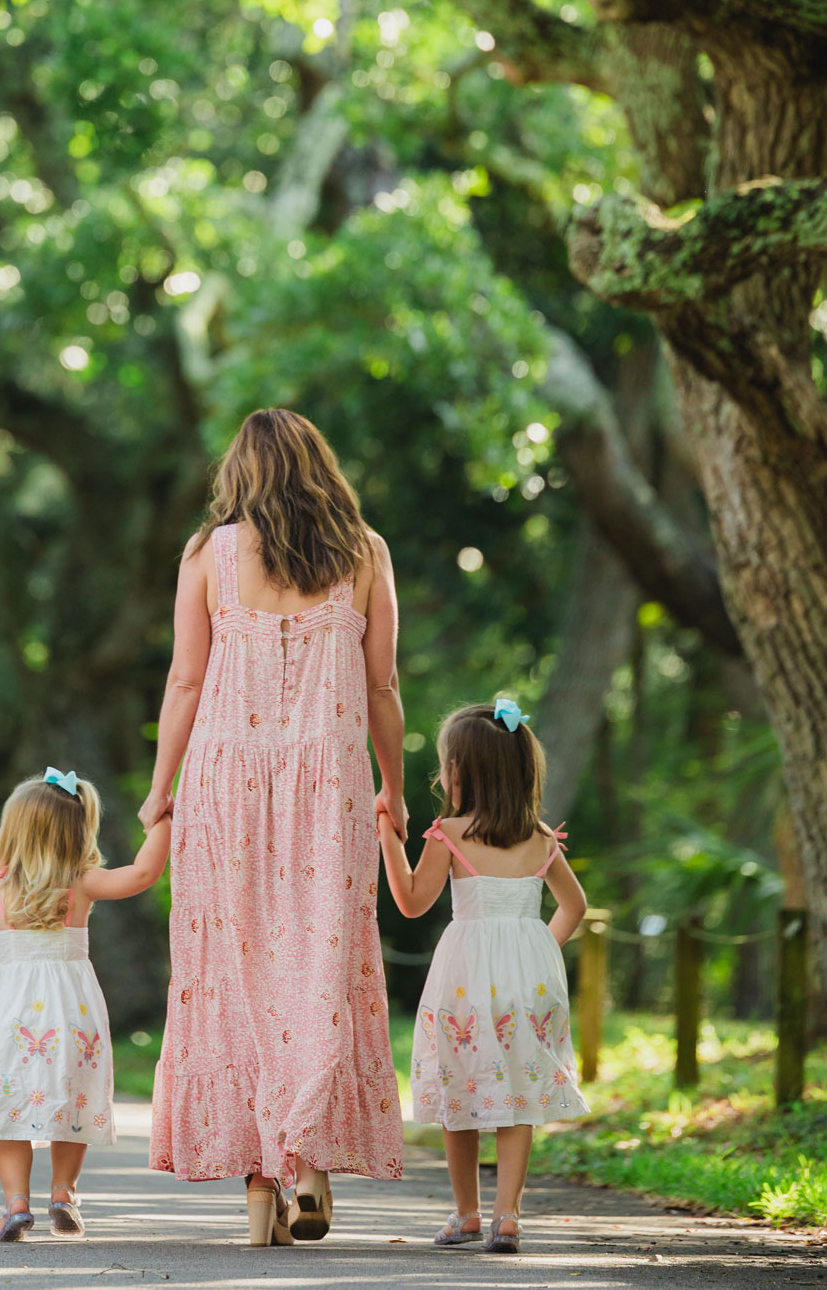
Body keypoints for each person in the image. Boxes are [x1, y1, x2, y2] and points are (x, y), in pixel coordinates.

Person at [144, 407, 407, 1246]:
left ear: (241, 473)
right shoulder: (365, 554)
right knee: (319, 968)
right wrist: (393, 791)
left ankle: (262, 1202)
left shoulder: (207, 555)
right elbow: (382, 688)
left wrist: (160, 789)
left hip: (225, 783)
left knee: (238, 977)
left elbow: (185, 683)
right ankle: (311, 1167)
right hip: (328, 785)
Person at [379, 697, 588, 1256]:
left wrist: (389, 837)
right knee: (518, 1094)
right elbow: (574, 906)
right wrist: (540, 947)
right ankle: (508, 1216)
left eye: (446, 764)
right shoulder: (542, 838)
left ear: (460, 774)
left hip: (466, 977)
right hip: (530, 982)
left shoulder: (449, 834)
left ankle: (467, 1213)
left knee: (460, 1086)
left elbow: (411, 902)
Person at [0, 767, 172, 1240]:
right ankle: (63, 1193)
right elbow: (145, 873)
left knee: (12, 1106)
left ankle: (15, 1205)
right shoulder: (83, 882)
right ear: (80, 831)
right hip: (70, 1008)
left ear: (13, 832)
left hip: (12, 1011)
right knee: (71, 1102)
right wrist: (162, 819)